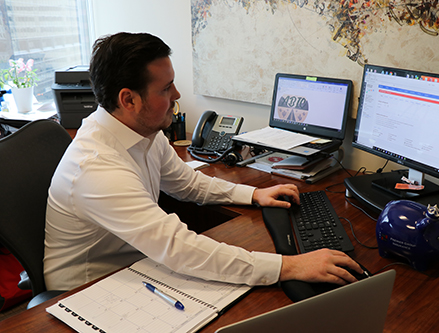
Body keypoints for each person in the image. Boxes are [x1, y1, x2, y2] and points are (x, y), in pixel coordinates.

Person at [44, 32, 362, 291]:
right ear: (129, 99)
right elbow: (178, 249)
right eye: (166, 88)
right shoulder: (96, 167)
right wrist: (289, 266)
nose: (177, 94)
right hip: (87, 288)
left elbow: (186, 182)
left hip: (136, 262)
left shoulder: (142, 132)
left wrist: (253, 195)